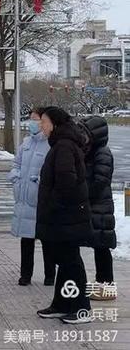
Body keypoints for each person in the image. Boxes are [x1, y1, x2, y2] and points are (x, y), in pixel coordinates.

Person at [35, 107, 93, 325]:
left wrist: (53, 205)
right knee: (65, 260)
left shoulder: (65, 147)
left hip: (65, 216)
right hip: (62, 215)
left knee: (71, 261)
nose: (41, 126)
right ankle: (62, 303)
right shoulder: (61, 145)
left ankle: (81, 308)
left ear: (56, 124)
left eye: (44, 122)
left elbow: (66, 183)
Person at [8, 107, 55, 286]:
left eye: (36, 119)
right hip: (24, 198)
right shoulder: (26, 143)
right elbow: (16, 163)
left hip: (41, 200)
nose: (32, 122)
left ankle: (50, 275)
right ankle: (25, 275)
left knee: (47, 240)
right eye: (31, 119)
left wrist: (40, 181)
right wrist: (16, 177)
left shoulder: (51, 143)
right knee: (26, 239)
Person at [79, 115, 117, 301]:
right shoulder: (90, 151)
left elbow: (100, 180)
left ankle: (107, 285)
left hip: (100, 206)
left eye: (85, 132)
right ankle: (102, 283)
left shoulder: (102, 153)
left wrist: (85, 194)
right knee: (99, 246)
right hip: (94, 206)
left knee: (102, 247)